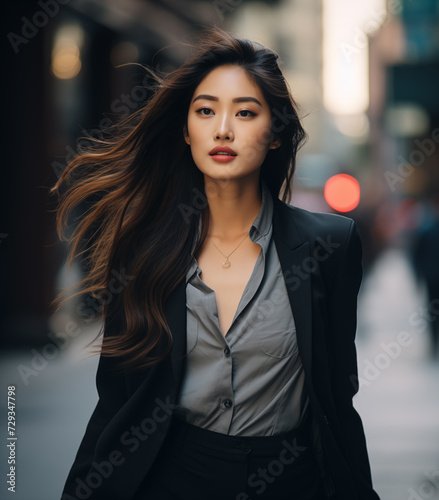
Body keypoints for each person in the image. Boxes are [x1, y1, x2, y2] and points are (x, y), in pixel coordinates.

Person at [51, 27, 380, 500]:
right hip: (172, 477)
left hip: (291, 481)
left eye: (246, 113)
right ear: (187, 130)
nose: (223, 128)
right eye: (206, 111)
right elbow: (117, 402)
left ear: (275, 134)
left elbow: (336, 398)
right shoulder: (143, 248)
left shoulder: (329, 245)